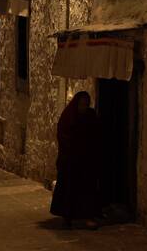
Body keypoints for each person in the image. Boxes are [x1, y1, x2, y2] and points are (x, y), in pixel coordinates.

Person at [50, 91, 101, 230]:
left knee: (87, 189)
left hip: (86, 160)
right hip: (70, 160)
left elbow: (95, 134)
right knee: (69, 189)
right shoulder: (69, 116)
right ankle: (68, 217)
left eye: (86, 104)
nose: (84, 107)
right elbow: (63, 135)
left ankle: (87, 216)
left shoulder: (90, 115)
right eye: (82, 104)